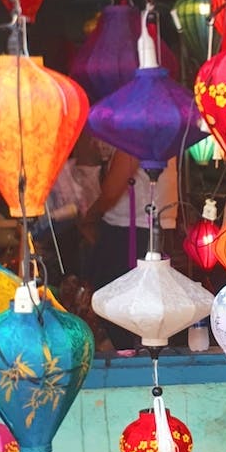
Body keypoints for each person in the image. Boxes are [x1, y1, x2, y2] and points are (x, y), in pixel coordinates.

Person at [81, 149, 178, 352]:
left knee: (114, 307)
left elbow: (112, 191)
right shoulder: (165, 129)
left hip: (127, 231)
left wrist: (89, 216)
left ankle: (124, 358)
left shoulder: (136, 131)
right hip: (154, 226)